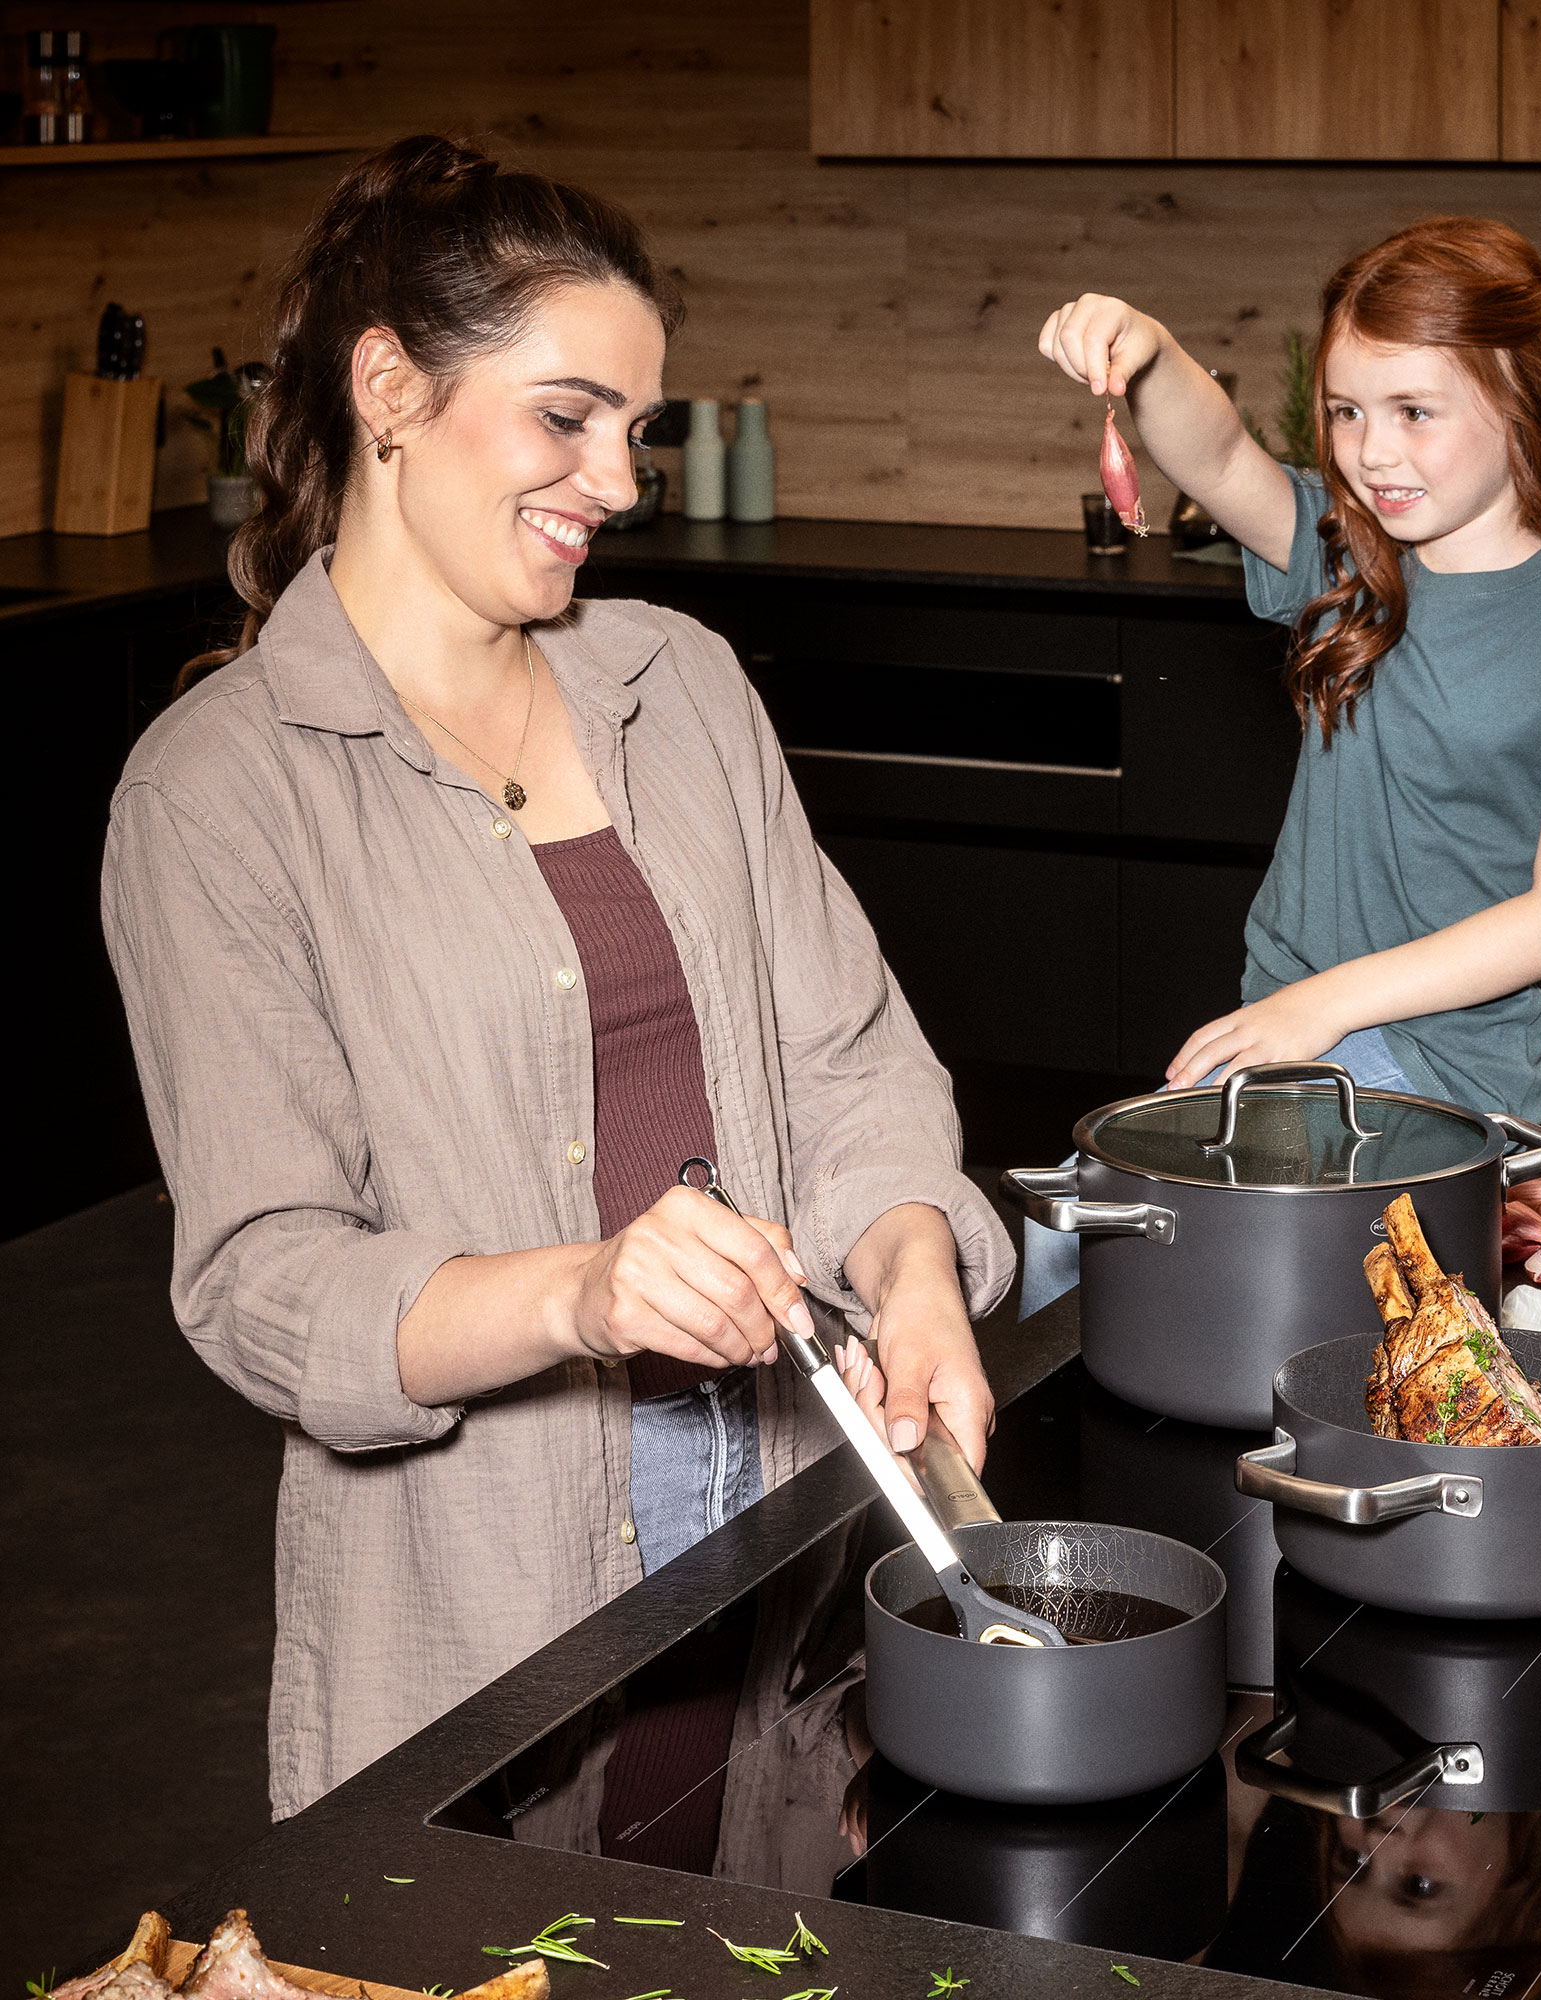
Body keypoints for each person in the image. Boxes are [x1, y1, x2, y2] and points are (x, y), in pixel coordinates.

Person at [102, 135, 1011, 1821]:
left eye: (640, 431)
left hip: (781, 1561)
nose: (620, 478)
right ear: (390, 387)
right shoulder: (219, 789)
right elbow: (264, 1280)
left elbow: (855, 1066)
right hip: (473, 1619)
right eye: (567, 415)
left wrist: (916, 1276)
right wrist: (584, 1295)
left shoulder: (689, 687)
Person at [1038, 217, 1541, 1121]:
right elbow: (1218, 455)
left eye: (1414, 411)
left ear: (1521, 401)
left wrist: (1323, 1005)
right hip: (1294, 1021)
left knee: (1167, 1238)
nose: (1373, 452)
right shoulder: (1346, 559)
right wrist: (1149, 352)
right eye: (1348, 412)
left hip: (1448, 1065)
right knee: (1080, 1239)